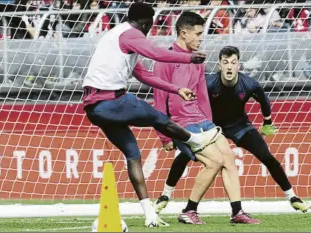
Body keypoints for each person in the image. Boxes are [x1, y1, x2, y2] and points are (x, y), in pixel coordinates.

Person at [82, 2, 222, 228]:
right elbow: (157, 53)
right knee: (159, 118)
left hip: (95, 109)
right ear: (146, 22)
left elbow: (144, 75)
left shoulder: (116, 37)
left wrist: (175, 89)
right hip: (112, 100)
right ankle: (196, 141)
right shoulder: (131, 34)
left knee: (133, 153)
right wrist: (189, 58)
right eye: (150, 25)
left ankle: (150, 214)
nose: (149, 30)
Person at [153, 46, 311, 217]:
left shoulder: (250, 84)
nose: (229, 66)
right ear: (219, 65)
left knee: (266, 156)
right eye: (225, 62)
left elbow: (264, 102)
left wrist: (267, 123)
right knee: (183, 156)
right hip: (211, 127)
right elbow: (188, 102)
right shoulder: (208, 83)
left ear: (239, 65)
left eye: (233, 62)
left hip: (240, 127)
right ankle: (165, 195)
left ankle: (292, 196)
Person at [152, 12, 260, 225]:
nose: (202, 38)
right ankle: (188, 211)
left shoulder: (197, 60)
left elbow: (202, 96)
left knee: (228, 158)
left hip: (203, 121)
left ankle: (237, 212)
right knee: (214, 162)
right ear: (184, 33)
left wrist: (211, 124)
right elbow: (159, 101)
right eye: (198, 34)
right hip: (181, 125)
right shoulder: (165, 60)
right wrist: (164, 137)